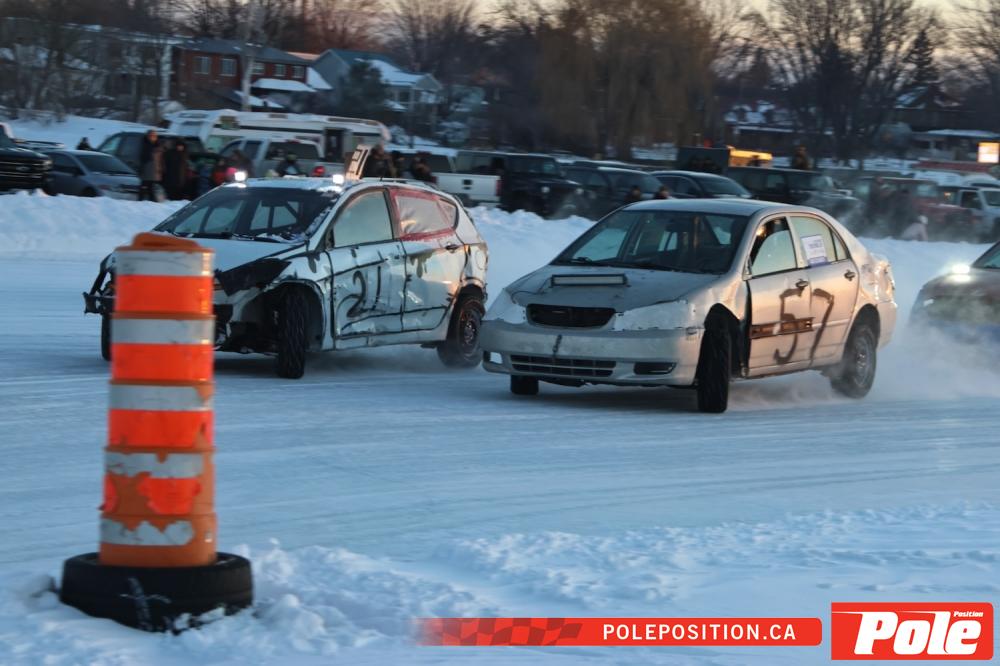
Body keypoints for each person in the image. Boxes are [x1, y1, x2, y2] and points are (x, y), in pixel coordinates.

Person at [138, 129, 163, 201]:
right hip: (147, 168)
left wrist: (161, 168)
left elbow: (160, 159)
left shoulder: (158, 145)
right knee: (145, 185)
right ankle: (142, 201)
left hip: (155, 169)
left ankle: (152, 201)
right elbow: (143, 158)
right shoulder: (145, 145)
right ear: (148, 136)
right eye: (151, 135)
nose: (153, 137)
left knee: (151, 187)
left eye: (154, 136)